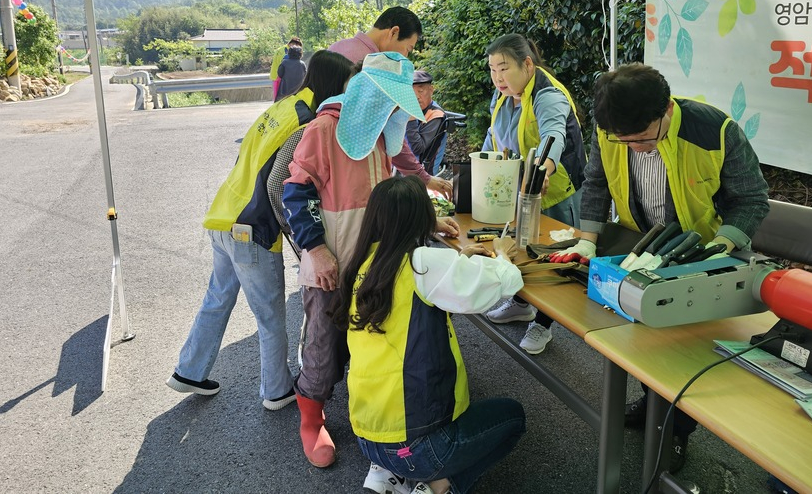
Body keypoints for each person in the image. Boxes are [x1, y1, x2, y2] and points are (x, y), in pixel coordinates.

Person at [573, 62, 770, 472]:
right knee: (644, 336)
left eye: (642, 140)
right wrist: (587, 240)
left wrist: (722, 244)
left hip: (702, 253)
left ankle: (675, 432)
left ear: (665, 111)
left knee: (681, 350)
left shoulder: (716, 131)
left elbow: (751, 199)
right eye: (622, 141)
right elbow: (595, 182)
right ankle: (651, 405)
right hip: (641, 244)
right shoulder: (612, 127)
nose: (634, 149)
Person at [282, 52, 461, 469]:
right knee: (324, 348)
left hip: (373, 264)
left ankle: (373, 419)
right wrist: (317, 249)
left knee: (371, 342)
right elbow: (295, 192)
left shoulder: (380, 132)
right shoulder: (324, 130)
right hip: (331, 261)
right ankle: (311, 420)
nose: (399, 111)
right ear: (371, 96)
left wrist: (426, 216)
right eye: (394, 101)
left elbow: (395, 184)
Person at [166, 50, 356, 411]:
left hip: (223, 214)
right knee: (270, 315)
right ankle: (276, 390)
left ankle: (189, 370)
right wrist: (306, 245)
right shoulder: (308, 120)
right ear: (335, 83)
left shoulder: (284, 106)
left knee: (217, 298)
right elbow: (277, 185)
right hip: (250, 226)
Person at [330, 176, 527, 494]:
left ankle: (390, 478)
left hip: (368, 439)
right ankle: (440, 487)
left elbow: (417, 291)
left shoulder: (360, 267)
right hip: (420, 446)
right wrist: (502, 254)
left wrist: (459, 260)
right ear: (423, 218)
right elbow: (502, 284)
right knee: (513, 417)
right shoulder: (423, 263)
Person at [481, 34, 587, 355]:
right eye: (492, 69)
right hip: (520, 191)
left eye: (504, 68)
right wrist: (481, 169)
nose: (498, 77)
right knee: (523, 247)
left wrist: (542, 169)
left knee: (555, 258)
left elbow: (553, 134)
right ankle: (519, 302)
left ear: (527, 64)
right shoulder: (503, 96)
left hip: (558, 192)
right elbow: (492, 137)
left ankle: (542, 323)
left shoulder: (547, 94)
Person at [329, 6, 452, 199]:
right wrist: (423, 177)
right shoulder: (369, 66)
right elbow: (386, 131)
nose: (405, 57)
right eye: (408, 49)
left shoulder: (339, 47)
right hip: (355, 183)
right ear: (394, 32)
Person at [405, 70, 447, 175]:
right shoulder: (408, 109)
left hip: (424, 173)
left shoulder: (436, 115)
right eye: (412, 92)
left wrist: (411, 119)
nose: (416, 97)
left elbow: (417, 149)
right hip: (404, 167)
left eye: (421, 91)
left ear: (431, 90)